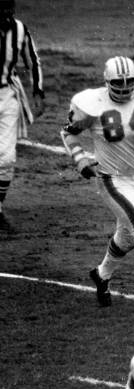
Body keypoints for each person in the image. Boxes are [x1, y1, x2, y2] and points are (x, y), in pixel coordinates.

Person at [60, 56, 134, 313]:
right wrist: (80, 159)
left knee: (126, 237)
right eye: (119, 82)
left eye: (129, 81)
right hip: (113, 179)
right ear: (107, 82)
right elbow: (68, 132)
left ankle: (102, 274)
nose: (125, 87)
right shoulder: (91, 104)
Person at [0, 0, 44, 232]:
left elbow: (33, 60)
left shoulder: (19, 29)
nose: (6, 15)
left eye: (9, 10)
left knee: (6, 158)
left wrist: (38, 90)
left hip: (7, 95)